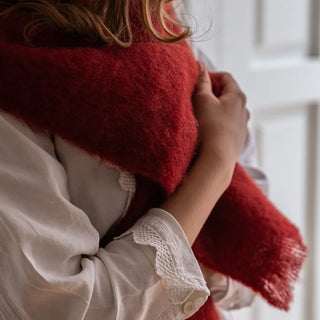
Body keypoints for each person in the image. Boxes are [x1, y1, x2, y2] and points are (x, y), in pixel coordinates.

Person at [0, 0, 269, 319]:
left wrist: (193, 271)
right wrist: (217, 163)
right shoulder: (12, 72)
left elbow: (250, 244)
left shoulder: (160, 24)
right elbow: (67, 307)